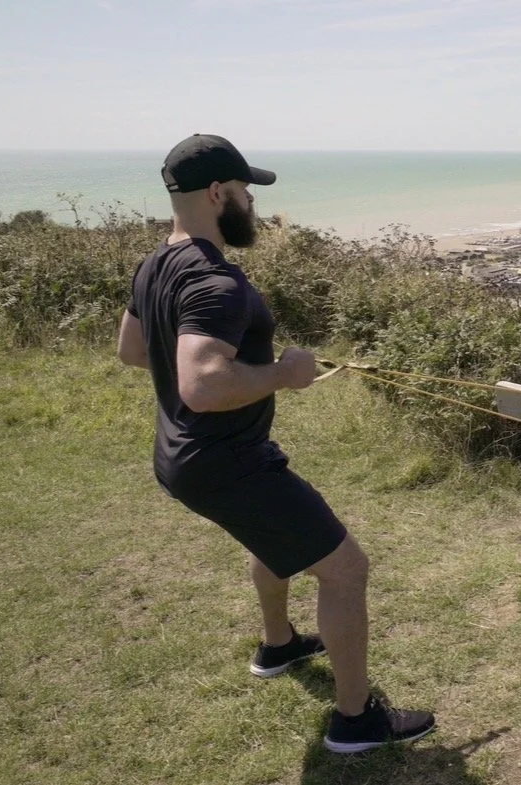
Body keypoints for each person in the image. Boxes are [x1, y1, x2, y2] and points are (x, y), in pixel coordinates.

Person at [116, 134, 435, 753]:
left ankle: (280, 645)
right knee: (346, 570)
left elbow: (131, 351)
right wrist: (284, 375)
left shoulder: (155, 263)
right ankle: (355, 722)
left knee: (276, 538)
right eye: (244, 192)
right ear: (217, 193)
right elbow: (204, 385)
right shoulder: (216, 281)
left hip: (186, 455)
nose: (252, 205)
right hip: (224, 462)